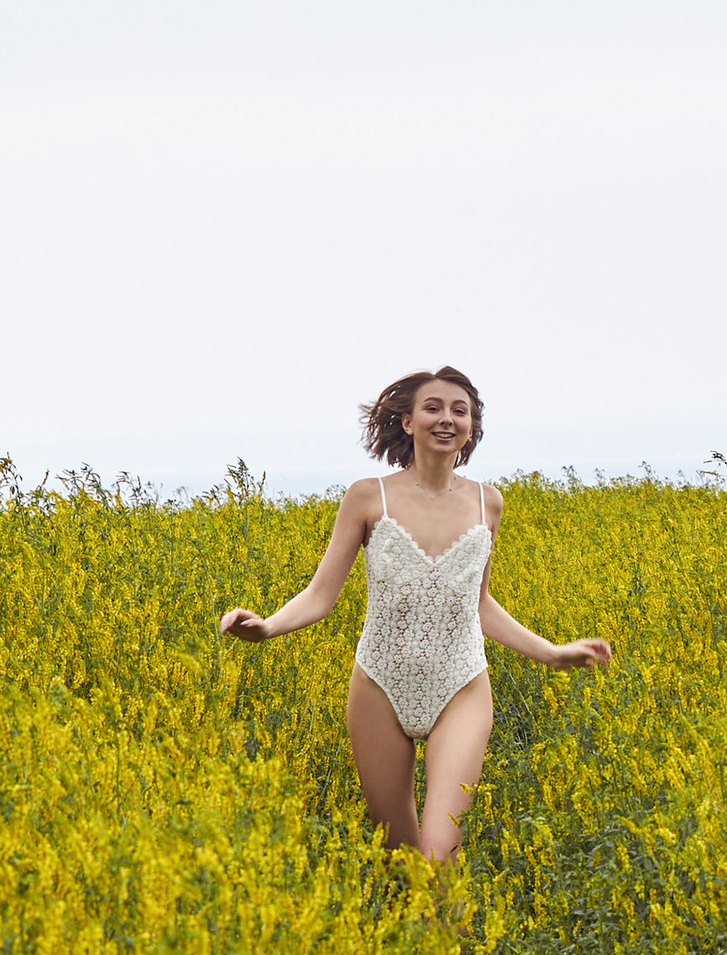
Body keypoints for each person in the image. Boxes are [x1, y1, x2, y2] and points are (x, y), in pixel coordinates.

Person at [217, 364, 612, 858]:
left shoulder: (488, 503)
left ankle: (453, 937)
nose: (446, 419)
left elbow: (480, 603)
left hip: (462, 683)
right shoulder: (368, 496)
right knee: (400, 862)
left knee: (439, 854)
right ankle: (423, 936)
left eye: (459, 410)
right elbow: (321, 594)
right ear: (407, 422)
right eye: (433, 408)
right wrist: (267, 627)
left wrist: (551, 654)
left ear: (471, 427)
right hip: (379, 685)